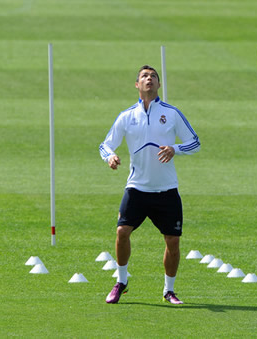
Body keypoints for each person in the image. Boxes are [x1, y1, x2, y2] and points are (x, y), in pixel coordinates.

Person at [99, 65, 200, 304]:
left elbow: (194, 142)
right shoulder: (127, 116)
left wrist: (174, 149)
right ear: (137, 84)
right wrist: (110, 157)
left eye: (154, 76)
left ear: (159, 84)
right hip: (136, 188)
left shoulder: (172, 113)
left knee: (172, 241)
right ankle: (121, 282)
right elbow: (105, 145)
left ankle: (169, 290)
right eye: (145, 76)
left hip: (166, 190)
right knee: (122, 232)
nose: (149, 79)